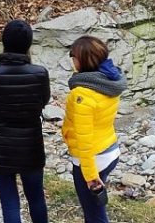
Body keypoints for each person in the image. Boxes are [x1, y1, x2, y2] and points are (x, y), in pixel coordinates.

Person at [0, 20, 50, 223]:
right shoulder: (40, 73)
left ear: (4, 41)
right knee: (36, 199)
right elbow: (42, 102)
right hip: (31, 146)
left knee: (9, 202)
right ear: (29, 43)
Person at [61, 35, 127, 223]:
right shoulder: (109, 82)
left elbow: (84, 139)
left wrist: (90, 176)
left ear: (81, 61)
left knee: (95, 215)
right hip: (110, 149)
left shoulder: (82, 94)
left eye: (73, 57)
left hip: (92, 158)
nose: (72, 61)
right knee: (94, 211)